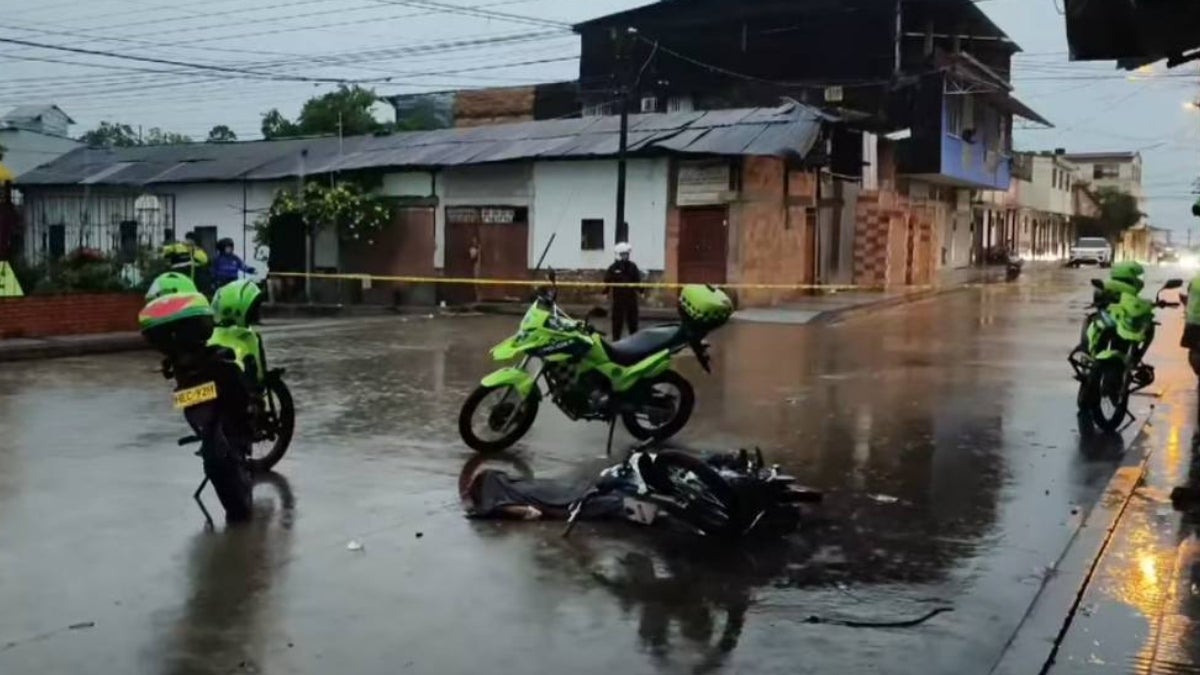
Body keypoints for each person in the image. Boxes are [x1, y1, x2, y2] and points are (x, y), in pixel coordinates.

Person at [604, 242, 643, 339]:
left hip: (631, 298)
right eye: (624, 254)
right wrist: (605, 292)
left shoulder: (632, 266)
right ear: (619, 255)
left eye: (627, 254)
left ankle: (634, 340)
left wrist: (641, 291)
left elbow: (637, 280)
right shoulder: (613, 267)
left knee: (633, 321)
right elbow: (607, 280)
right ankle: (616, 340)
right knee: (617, 321)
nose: (626, 256)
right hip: (618, 298)